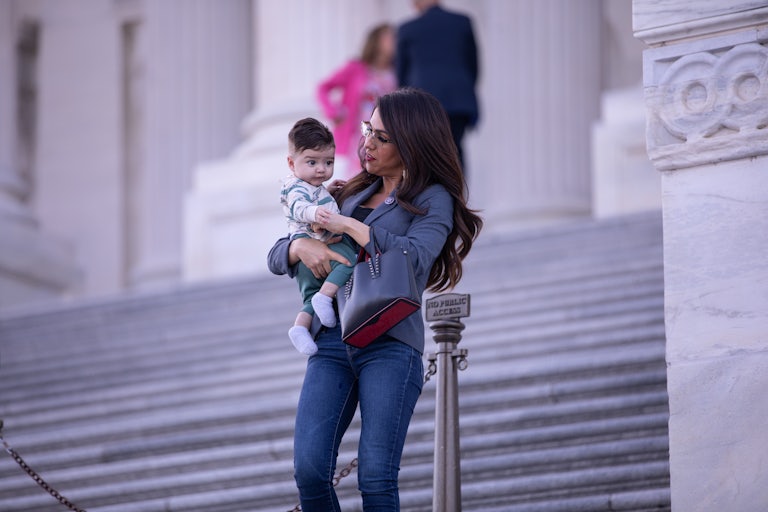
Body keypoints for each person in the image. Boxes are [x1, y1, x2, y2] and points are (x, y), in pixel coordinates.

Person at [268, 88, 483, 511]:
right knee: (310, 471)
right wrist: (299, 250)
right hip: (331, 342)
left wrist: (350, 226)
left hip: (388, 343)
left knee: (376, 477)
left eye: (381, 137)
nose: (367, 142)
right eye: (368, 129)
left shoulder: (431, 198)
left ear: (411, 143)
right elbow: (280, 250)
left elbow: (415, 259)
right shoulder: (345, 191)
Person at [280, 117, 357, 356]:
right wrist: (318, 214)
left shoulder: (314, 187)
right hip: (313, 250)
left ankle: (300, 328)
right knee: (349, 259)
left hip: (308, 261)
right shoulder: (295, 188)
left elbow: (314, 198)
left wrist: (329, 194)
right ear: (292, 164)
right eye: (312, 162)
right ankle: (326, 297)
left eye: (328, 162)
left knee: (309, 299)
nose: (321, 169)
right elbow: (298, 208)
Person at [395, 0, 479, 172]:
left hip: (421, 102)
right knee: (454, 151)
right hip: (458, 100)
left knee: (425, 153)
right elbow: (473, 65)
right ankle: (456, 197)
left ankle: (432, 198)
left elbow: (401, 74)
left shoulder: (407, 28)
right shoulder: (462, 22)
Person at [316, 23, 397, 180]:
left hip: (388, 132)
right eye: (390, 37)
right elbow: (323, 88)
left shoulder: (398, 71)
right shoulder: (356, 68)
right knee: (358, 176)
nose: (395, 41)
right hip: (359, 134)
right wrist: (334, 112)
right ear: (377, 41)